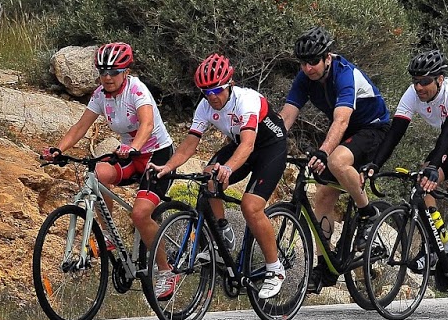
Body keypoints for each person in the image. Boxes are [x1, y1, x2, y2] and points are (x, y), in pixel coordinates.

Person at [150, 53, 291, 301]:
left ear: (230, 85)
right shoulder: (205, 106)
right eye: (206, 91)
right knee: (208, 176)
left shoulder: (246, 101)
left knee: (251, 206)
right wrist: (167, 167)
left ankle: (274, 268)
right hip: (241, 145)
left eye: (217, 90)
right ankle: (223, 230)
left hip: (269, 147)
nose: (212, 96)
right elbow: (189, 145)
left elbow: (247, 146)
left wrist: (227, 168)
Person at [364, 49, 448, 280]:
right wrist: (374, 164)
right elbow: (395, 132)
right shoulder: (412, 94)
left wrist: (433, 167)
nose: (419, 88)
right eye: (416, 81)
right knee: (421, 182)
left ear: (440, 79)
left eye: (425, 81)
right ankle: (440, 244)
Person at [43, 42, 175, 274]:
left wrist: (133, 146)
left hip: (157, 155)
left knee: (140, 214)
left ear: (126, 72)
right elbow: (80, 127)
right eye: (103, 72)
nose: (108, 77)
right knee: (98, 173)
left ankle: (165, 271)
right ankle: (109, 234)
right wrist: (58, 149)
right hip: (131, 155)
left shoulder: (137, 90)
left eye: (114, 72)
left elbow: (147, 124)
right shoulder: (100, 95)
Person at [276, 26, 390, 243]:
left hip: (373, 128)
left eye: (313, 62)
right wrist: (269, 140)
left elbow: (341, 120)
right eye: (303, 63)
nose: (308, 68)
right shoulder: (305, 77)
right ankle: (323, 264)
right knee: (323, 196)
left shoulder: (345, 74)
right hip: (348, 131)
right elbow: (287, 116)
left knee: (336, 161)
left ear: (327, 58)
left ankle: (368, 214)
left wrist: (323, 152)